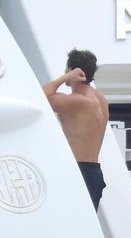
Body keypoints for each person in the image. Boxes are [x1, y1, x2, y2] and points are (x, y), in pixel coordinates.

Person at [43, 49, 109, 210]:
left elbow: (40, 96)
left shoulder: (78, 101)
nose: (65, 72)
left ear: (74, 71)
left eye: (67, 69)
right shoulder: (100, 98)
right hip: (93, 172)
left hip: (81, 172)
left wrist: (65, 78)